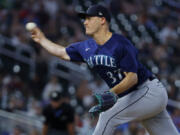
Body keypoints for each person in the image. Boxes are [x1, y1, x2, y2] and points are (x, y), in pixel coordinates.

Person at [30, 4, 179, 135]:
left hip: (148, 91)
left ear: (102, 20)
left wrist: (112, 93)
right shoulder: (86, 47)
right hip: (138, 99)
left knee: (107, 116)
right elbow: (62, 52)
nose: (85, 22)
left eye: (89, 18)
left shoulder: (120, 43)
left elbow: (132, 78)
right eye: (84, 19)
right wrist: (42, 39)